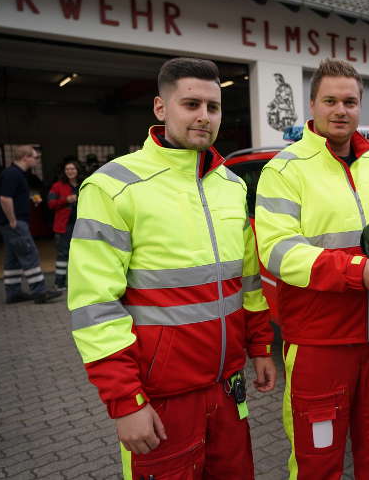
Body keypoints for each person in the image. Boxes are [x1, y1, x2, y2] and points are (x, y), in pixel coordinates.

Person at [68, 57, 277, 479]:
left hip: (227, 387)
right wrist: (125, 402)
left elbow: (248, 281)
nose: (204, 116)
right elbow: (95, 306)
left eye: (213, 107)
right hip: (161, 400)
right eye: (191, 104)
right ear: (161, 109)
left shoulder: (231, 186)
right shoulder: (113, 186)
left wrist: (259, 347)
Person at [255, 58, 369, 480]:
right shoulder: (284, 170)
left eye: (349, 101)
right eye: (330, 100)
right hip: (319, 345)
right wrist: (355, 271)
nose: (340, 110)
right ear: (312, 105)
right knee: (318, 464)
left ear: (360, 106)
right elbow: (277, 250)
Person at [0, 145, 62, 304]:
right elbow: (5, 198)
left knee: (13, 258)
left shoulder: (15, 174)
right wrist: (12, 220)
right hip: (15, 223)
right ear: (25, 157)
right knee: (29, 253)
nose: (37, 160)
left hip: (10, 223)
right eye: (35, 157)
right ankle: (39, 291)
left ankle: (13, 292)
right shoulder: (13, 175)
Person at [47, 160, 82, 290]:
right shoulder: (57, 186)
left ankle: (78, 282)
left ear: (78, 170)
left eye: (72, 169)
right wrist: (66, 200)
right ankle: (59, 283)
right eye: (67, 169)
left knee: (80, 254)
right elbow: (51, 204)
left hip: (81, 224)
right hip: (64, 225)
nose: (70, 171)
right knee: (63, 254)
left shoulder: (83, 185)